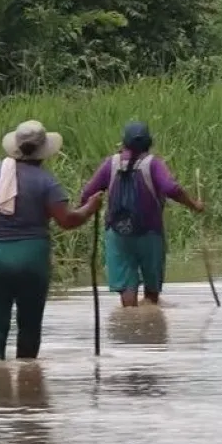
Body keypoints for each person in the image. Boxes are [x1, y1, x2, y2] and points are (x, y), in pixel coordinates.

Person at [0, 120, 104, 360]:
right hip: (31, 259)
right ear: (43, 150)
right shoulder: (46, 182)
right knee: (29, 326)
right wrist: (90, 207)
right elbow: (67, 220)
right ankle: (27, 385)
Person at [80, 121, 203, 308]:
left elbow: (87, 192)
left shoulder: (111, 164)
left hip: (118, 234)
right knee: (152, 288)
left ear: (123, 143)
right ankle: (150, 325)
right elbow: (172, 188)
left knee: (127, 292)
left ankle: (130, 323)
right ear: (149, 142)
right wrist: (194, 205)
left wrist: (83, 210)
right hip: (150, 233)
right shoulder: (153, 164)